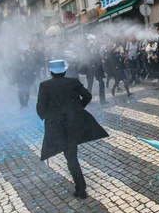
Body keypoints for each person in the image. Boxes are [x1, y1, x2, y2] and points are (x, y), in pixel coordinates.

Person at [37, 60, 109, 199]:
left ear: (51, 72)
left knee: (70, 156)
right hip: (74, 122)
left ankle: (81, 189)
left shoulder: (44, 85)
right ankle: (80, 187)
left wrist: (49, 118)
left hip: (57, 125)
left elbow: (40, 108)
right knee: (71, 153)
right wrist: (78, 108)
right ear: (64, 71)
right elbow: (87, 96)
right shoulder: (73, 82)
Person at [84, 35, 107, 105]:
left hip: (98, 68)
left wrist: (102, 59)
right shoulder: (85, 47)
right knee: (90, 85)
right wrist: (88, 47)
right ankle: (87, 100)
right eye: (91, 39)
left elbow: (99, 54)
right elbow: (84, 56)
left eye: (93, 40)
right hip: (90, 68)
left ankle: (103, 101)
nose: (92, 41)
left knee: (101, 84)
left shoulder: (97, 47)